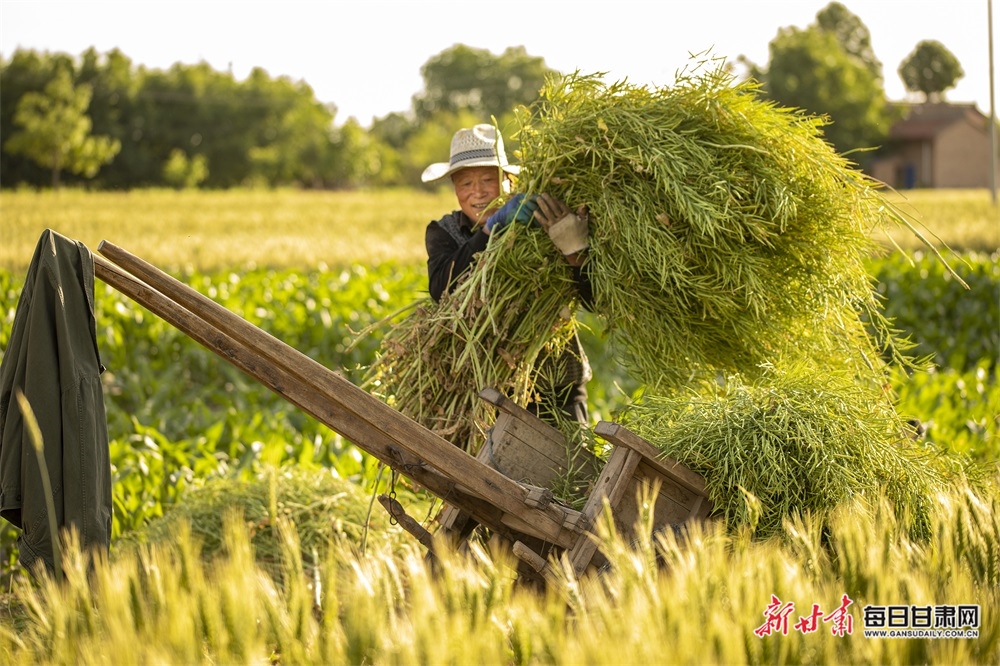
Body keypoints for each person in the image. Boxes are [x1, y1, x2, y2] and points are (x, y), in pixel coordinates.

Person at [421, 123, 593, 426]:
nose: (478, 192)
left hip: (557, 384)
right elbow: (441, 288)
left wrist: (573, 251)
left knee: (574, 470)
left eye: (489, 180)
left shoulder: (544, 219)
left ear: (509, 180)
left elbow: (594, 300)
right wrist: (491, 229)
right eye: (466, 184)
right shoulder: (444, 232)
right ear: (455, 189)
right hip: (489, 394)